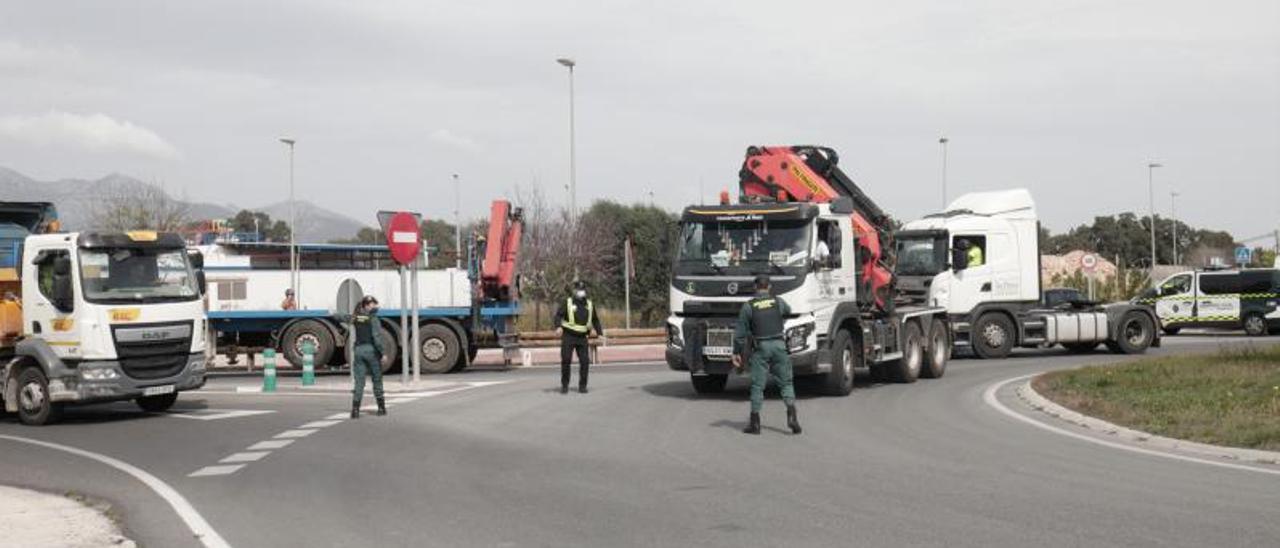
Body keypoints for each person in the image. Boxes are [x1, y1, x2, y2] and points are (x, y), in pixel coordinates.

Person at [732, 274, 801, 435]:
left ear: (755, 288)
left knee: (758, 386)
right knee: (786, 383)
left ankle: (755, 423)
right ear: (769, 287)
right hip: (779, 345)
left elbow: (740, 334)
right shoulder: (778, 301)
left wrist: (736, 353)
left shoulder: (748, 306)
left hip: (761, 348)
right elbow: (788, 311)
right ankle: (792, 416)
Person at [554, 280, 604, 394]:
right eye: (578, 290)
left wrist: (600, 333)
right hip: (568, 335)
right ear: (575, 291)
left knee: (585, 361)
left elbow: (595, 320)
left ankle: (582, 386)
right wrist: (558, 327)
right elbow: (558, 315)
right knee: (566, 360)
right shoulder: (568, 302)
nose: (580, 292)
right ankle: (565, 385)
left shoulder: (590, 305)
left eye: (582, 290)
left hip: (582, 337)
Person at [349, 296, 386, 419]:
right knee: (377, 379)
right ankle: (381, 408)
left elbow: (344, 317)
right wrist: (383, 353)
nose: (375, 306)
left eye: (374, 303)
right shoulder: (373, 318)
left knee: (359, 381)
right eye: (372, 304)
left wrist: (333, 313)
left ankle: (355, 410)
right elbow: (377, 338)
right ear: (366, 306)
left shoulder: (357, 317)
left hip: (359, 351)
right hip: (371, 351)